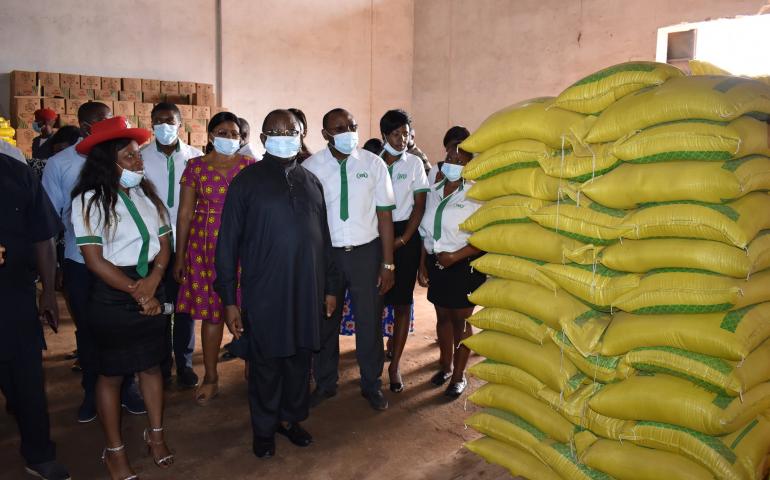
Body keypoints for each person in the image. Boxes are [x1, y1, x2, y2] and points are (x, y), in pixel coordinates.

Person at [215, 109, 341, 458]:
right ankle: (264, 428)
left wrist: (330, 288)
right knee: (267, 363)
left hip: (307, 291)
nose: (286, 136)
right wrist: (229, 299)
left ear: (302, 135)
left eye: (292, 130)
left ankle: (290, 419)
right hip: (265, 291)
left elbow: (325, 240)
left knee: (300, 361)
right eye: (277, 131)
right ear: (263, 137)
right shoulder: (247, 182)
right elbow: (227, 244)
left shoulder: (311, 181)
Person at [71, 117, 175, 480]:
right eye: (129, 156)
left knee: (151, 365)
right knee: (111, 375)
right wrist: (136, 291)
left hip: (151, 282)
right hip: (114, 293)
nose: (138, 161)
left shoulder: (147, 194)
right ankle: (114, 451)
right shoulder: (88, 201)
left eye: (137, 155)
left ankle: (156, 436)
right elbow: (95, 261)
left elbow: (165, 244)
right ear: (106, 161)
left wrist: (154, 280)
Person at [42, 102, 146, 424]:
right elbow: (49, 220)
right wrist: (53, 269)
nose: (111, 124)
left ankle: (127, 388)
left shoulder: (129, 160)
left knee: (124, 327)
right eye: (102, 121)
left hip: (125, 262)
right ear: (86, 126)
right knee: (88, 329)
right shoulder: (60, 165)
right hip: (81, 261)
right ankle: (92, 391)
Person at [303, 108, 396, 411]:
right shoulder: (311, 167)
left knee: (369, 322)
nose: (347, 132)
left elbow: (385, 216)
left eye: (352, 126)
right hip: (326, 255)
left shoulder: (374, 164)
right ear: (325, 134)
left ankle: (372, 384)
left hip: (366, 254)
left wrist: (388, 262)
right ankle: (326, 382)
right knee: (324, 321)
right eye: (339, 127)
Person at [174, 111, 256, 405]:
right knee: (212, 315)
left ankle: (253, 373)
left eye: (234, 134)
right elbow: (184, 214)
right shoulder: (194, 167)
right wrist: (179, 255)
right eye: (222, 133)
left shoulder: (249, 166)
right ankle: (211, 377)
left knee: (248, 312)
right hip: (204, 248)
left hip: (243, 249)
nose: (228, 138)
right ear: (210, 136)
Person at [0, 153, 70, 480]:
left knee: (26, 379)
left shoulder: (15, 173)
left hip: (12, 296)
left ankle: (39, 454)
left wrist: (48, 293)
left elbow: (43, 237)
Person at [418, 126, 484, 399]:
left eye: (461, 159)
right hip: (437, 263)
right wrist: (424, 263)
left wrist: (455, 256)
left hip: (462, 264)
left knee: (461, 322)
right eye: (451, 157)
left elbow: (485, 238)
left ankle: (459, 375)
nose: (454, 163)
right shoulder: (434, 190)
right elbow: (426, 230)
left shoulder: (476, 195)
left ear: (469, 163)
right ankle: (444, 366)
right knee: (442, 316)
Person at [141, 102, 202, 389]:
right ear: (151, 124)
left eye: (170, 120)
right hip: (153, 248)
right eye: (158, 120)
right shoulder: (139, 158)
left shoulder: (196, 158)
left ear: (181, 124)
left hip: (187, 246)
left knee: (184, 308)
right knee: (158, 308)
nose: (164, 125)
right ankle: (162, 363)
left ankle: (185, 364)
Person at [378, 109, 429, 393]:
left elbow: (419, 205)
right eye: (396, 134)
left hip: (405, 236)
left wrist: (404, 240)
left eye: (406, 134)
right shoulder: (372, 163)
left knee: (402, 303)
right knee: (375, 300)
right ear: (384, 135)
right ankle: (373, 361)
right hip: (376, 233)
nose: (402, 139)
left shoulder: (414, 164)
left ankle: (394, 365)